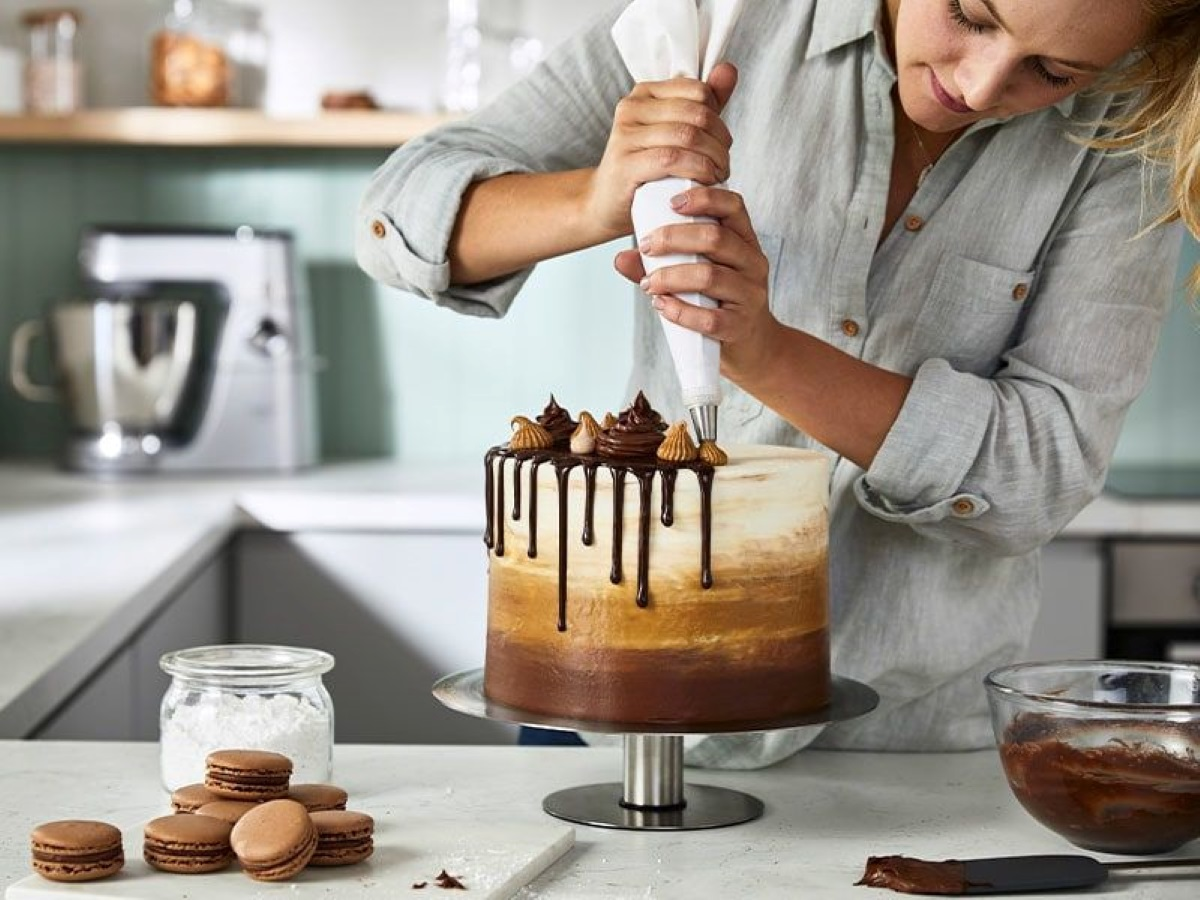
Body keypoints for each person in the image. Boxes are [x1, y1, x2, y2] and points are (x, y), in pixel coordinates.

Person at [356, 0, 1197, 767]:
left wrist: (765, 352)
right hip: (614, 710)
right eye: (969, 16)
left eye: (1052, 72)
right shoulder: (720, 18)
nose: (978, 86)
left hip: (902, 752)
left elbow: (1040, 476)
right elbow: (393, 218)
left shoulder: (1127, 129)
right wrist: (597, 199)